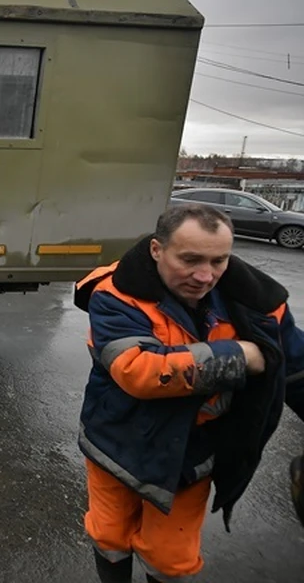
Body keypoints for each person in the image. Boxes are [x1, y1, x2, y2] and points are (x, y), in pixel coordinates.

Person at [73, 203, 304, 582]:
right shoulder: (115, 295)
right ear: (157, 250)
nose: (204, 275)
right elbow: (140, 371)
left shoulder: (259, 302)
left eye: (219, 261)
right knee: (109, 534)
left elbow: (297, 369)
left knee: (171, 558)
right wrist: (241, 357)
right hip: (116, 441)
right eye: (191, 259)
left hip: (190, 453)